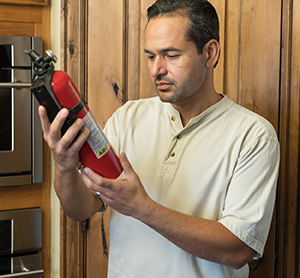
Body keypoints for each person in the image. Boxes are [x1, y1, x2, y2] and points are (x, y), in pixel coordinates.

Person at [38, 0, 280, 277]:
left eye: (171, 55)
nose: (156, 69)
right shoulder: (128, 117)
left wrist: (143, 209)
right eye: (151, 56)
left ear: (210, 53)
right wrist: (65, 166)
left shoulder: (253, 135)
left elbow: (238, 250)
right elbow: (81, 209)